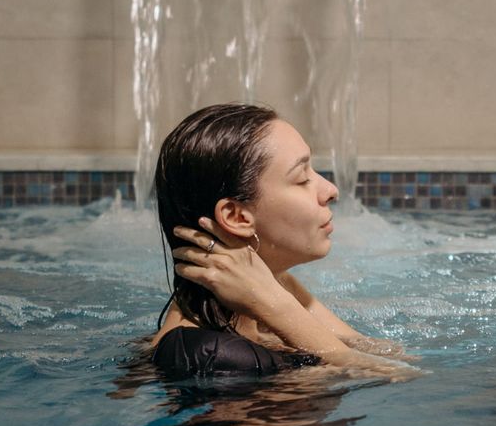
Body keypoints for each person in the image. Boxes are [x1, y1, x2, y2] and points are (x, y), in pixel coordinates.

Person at [149, 103, 414, 378]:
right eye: (302, 179)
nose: (330, 191)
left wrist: (276, 299)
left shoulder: (262, 290)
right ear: (237, 216)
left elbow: (389, 355)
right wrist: (278, 307)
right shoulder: (210, 356)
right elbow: (395, 375)